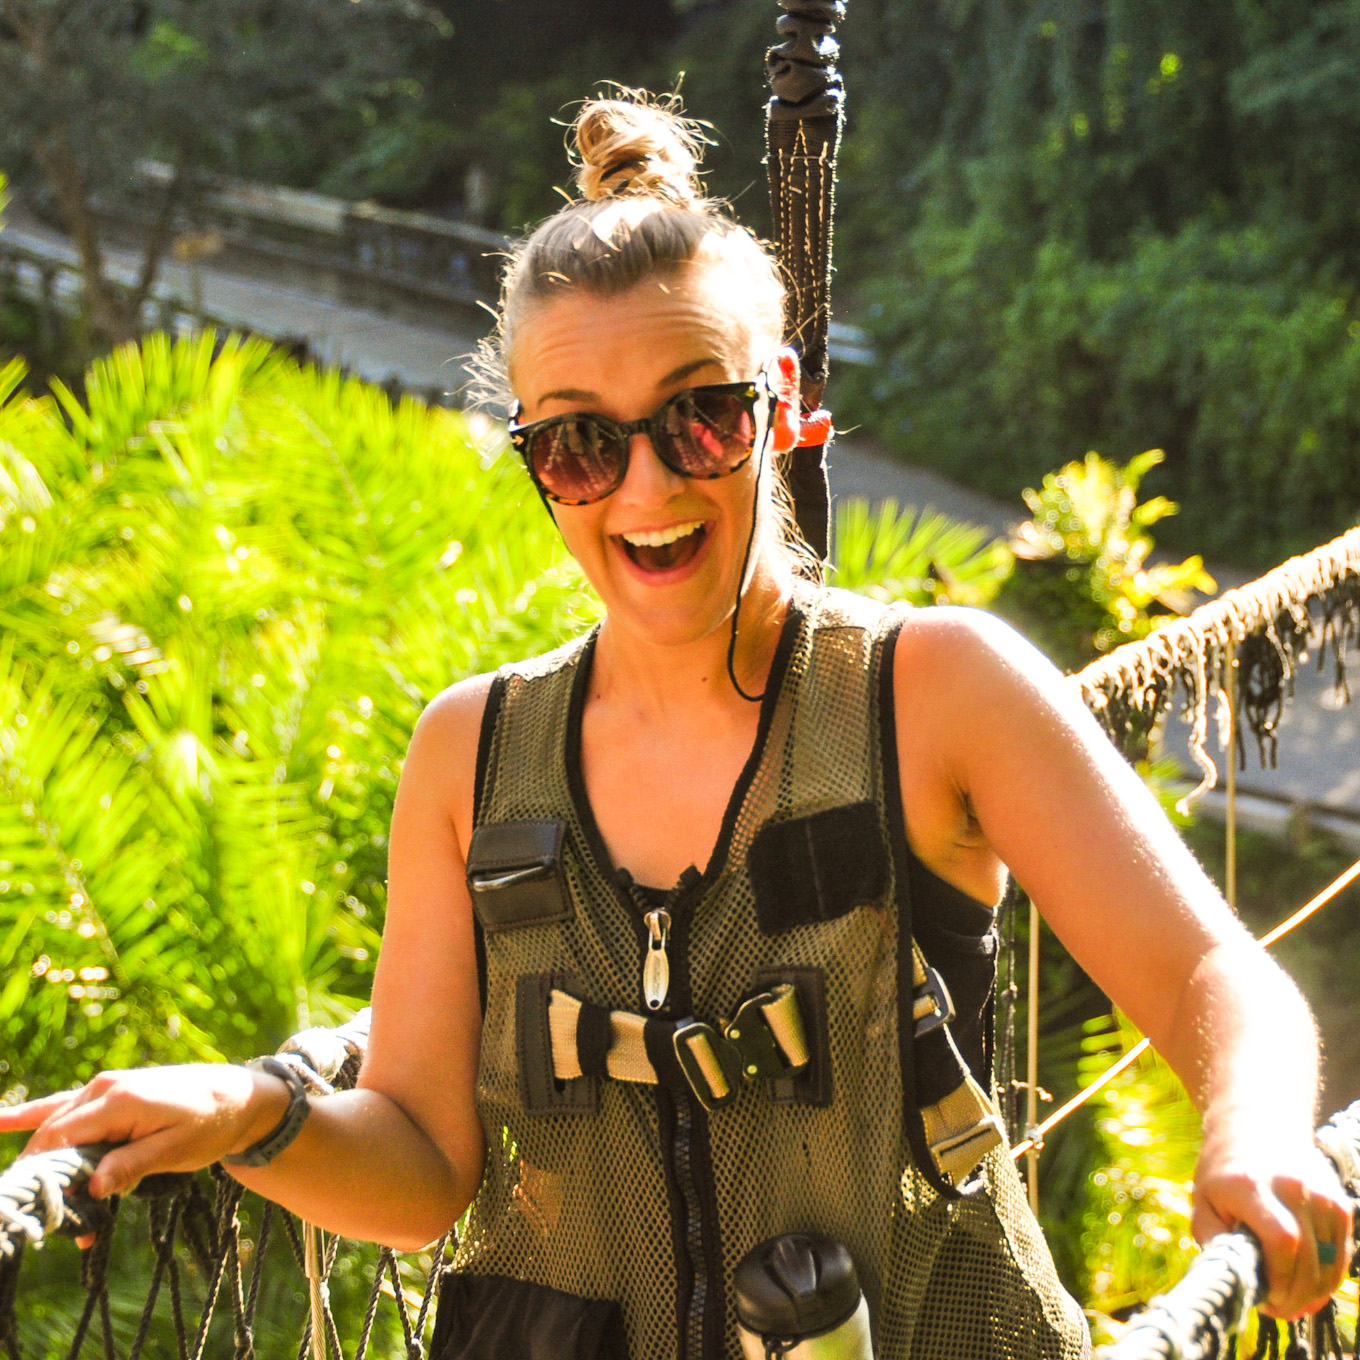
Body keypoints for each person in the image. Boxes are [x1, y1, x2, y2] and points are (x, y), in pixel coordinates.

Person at [0, 93, 1350, 1360]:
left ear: (788, 411)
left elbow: (1211, 979)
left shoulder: (931, 691)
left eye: (701, 419)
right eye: (581, 443)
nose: (643, 483)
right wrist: (251, 1114)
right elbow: (420, 1170)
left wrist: (1251, 1135)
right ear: (530, 459)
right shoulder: (469, 756)